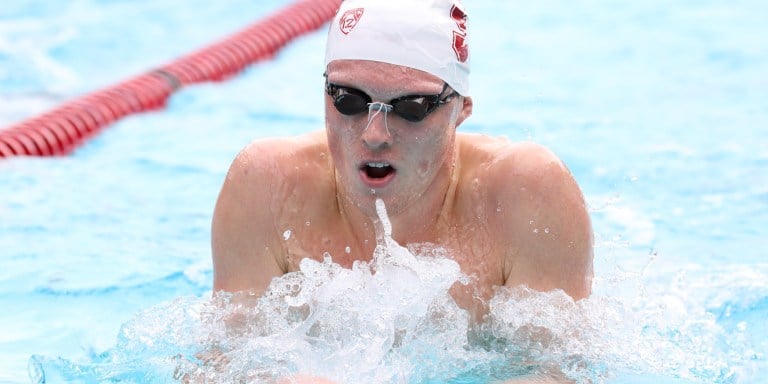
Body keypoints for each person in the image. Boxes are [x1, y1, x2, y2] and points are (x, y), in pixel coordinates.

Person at [212, 0, 592, 362]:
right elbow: (218, 364)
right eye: (349, 100)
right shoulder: (268, 186)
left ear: (461, 110)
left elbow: (556, 371)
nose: (374, 134)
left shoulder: (526, 195)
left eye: (412, 107)